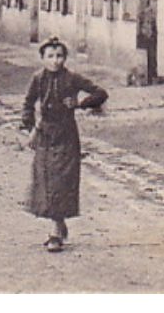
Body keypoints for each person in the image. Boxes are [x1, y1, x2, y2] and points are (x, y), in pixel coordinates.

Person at [21, 37, 108, 253]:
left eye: (59, 56)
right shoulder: (38, 79)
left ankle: (55, 232)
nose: (55, 61)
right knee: (46, 181)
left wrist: (79, 104)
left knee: (62, 181)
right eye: (50, 56)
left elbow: (100, 93)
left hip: (67, 135)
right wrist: (30, 128)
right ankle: (58, 224)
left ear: (65, 58)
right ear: (42, 58)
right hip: (44, 135)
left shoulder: (72, 78)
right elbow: (28, 103)